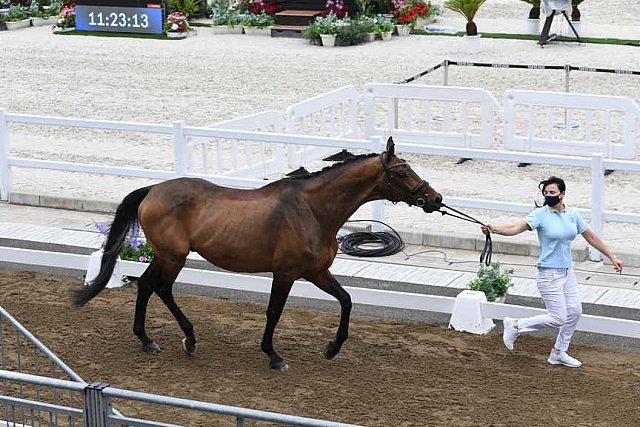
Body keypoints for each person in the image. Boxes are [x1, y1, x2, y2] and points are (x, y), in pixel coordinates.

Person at [481, 176, 623, 368]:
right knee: (558, 317)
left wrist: (611, 256)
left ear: (562, 194)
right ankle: (515, 325)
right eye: (546, 193)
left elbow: (590, 236)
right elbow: (516, 227)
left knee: (574, 312)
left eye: (552, 193)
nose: (548, 196)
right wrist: (494, 229)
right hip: (548, 273)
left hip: (567, 271)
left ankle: (558, 352)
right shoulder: (540, 214)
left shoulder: (572, 214)